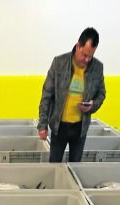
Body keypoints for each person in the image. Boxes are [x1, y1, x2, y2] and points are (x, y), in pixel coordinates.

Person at [38, 27, 106, 163]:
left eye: (90, 56)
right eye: (84, 54)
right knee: (55, 165)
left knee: (76, 166)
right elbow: (47, 94)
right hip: (59, 126)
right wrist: (43, 125)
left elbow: (101, 94)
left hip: (80, 128)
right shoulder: (59, 63)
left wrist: (92, 106)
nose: (87, 60)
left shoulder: (97, 67)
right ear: (78, 46)